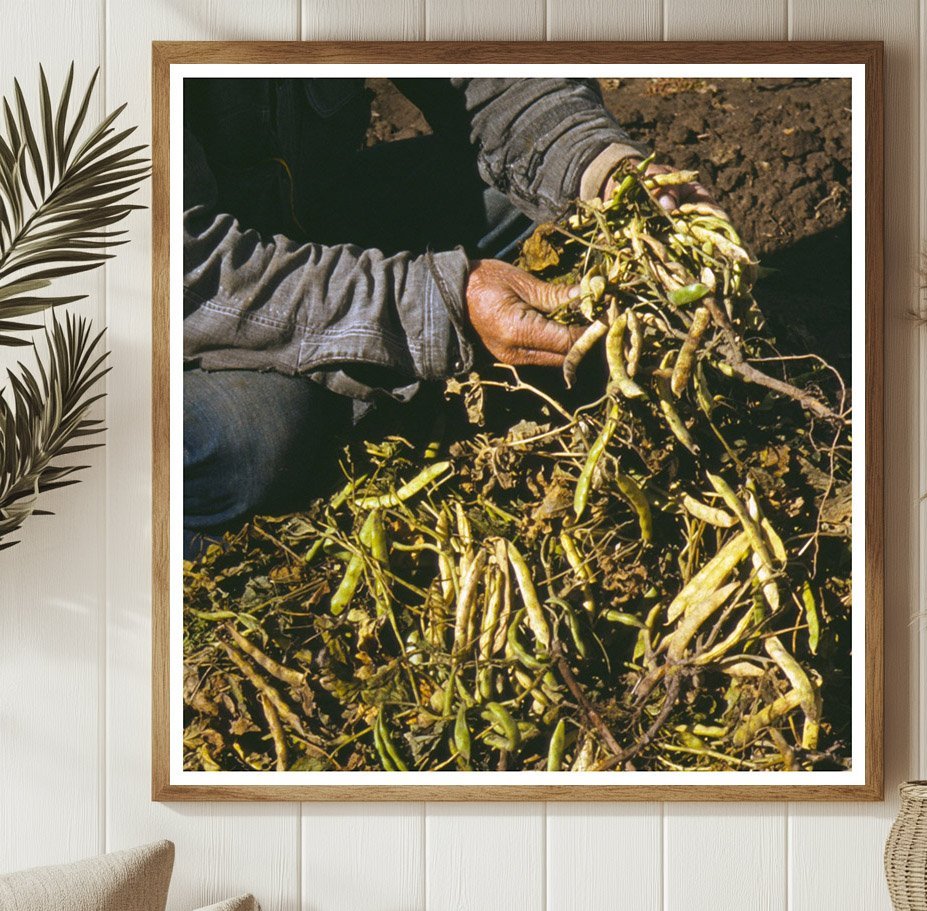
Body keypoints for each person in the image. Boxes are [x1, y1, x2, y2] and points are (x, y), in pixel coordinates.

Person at [182, 77, 711, 554]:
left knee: (557, 214)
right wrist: (442, 301)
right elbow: (188, 271)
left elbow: (485, 67)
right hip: (159, 319)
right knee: (257, 438)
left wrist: (600, 168)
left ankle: (364, 375)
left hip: (306, 226)